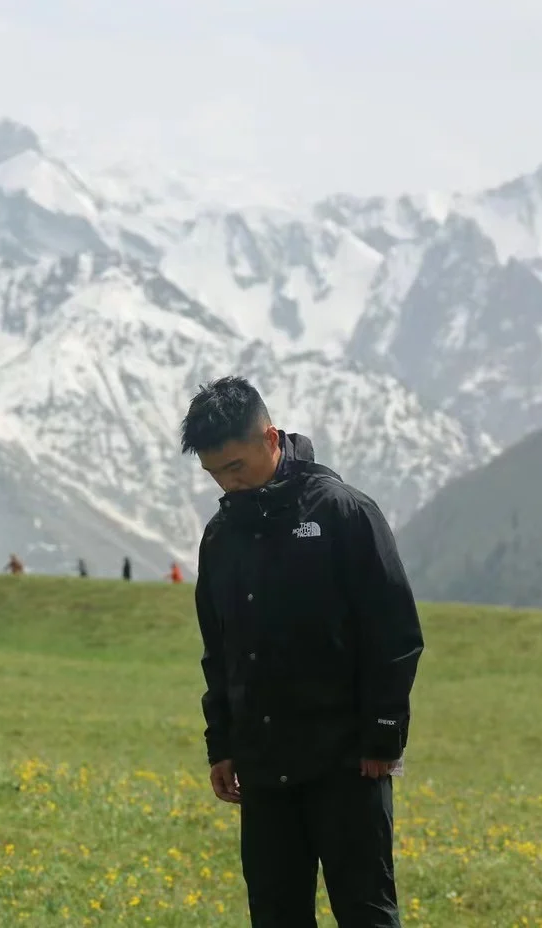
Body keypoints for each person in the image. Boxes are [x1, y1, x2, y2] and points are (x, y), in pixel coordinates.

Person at [181, 376, 423, 928]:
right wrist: (221, 743)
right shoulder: (220, 538)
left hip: (348, 764)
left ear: (270, 438)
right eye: (215, 474)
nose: (227, 484)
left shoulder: (344, 513)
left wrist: (383, 737)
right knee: (275, 914)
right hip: (263, 768)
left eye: (235, 467)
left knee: (365, 913)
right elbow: (218, 651)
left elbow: (394, 632)